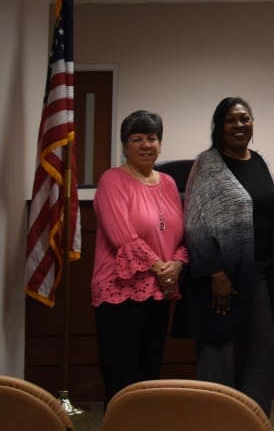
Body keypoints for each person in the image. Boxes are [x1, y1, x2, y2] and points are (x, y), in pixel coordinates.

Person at [184, 97, 274, 416]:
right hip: (223, 283)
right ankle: (217, 422)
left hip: (261, 276)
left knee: (260, 356)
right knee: (220, 358)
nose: (240, 125)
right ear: (218, 127)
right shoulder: (208, 164)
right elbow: (194, 224)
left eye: (245, 119)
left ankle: (254, 421)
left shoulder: (261, 161)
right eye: (231, 120)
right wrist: (216, 274)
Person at [91, 110, 187, 406]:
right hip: (120, 292)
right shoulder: (112, 180)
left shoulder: (169, 183)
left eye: (152, 138)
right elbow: (121, 235)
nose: (146, 144)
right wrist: (161, 267)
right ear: (125, 144)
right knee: (121, 377)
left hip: (159, 291)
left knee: (149, 376)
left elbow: (181, 235)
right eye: (137, 138)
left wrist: (178, 263)